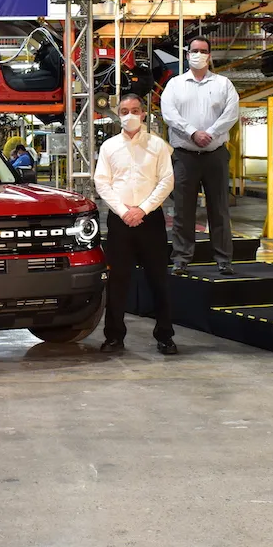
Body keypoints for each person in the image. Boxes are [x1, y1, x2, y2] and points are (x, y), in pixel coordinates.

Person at [93, 93, 177, 355]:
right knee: (117, 282)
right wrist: (123, 211)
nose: (130, 115)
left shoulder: (158, 146)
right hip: (119, 222)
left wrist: (142, 209)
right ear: (118, 115)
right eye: (125, 110)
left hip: (150, 220)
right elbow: (102, 182)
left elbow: (166, 181)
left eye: (135, 110)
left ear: (143, 114)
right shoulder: (109, 147)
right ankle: (114, 336)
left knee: (158, 280)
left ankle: (165, 336)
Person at [160, 35, 240, 276]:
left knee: (220, 208)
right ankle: (182, 258)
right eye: (194, 50)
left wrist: (211, 134)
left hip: (215, 154)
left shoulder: (223, 84)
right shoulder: (175, 84)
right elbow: (169, 113)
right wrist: (193, 133)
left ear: (209, 55)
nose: (198, 54)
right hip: (185, 156)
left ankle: (224, 259)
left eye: (203, 50)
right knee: (183, 210)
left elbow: (231, 113)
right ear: (187, 55)